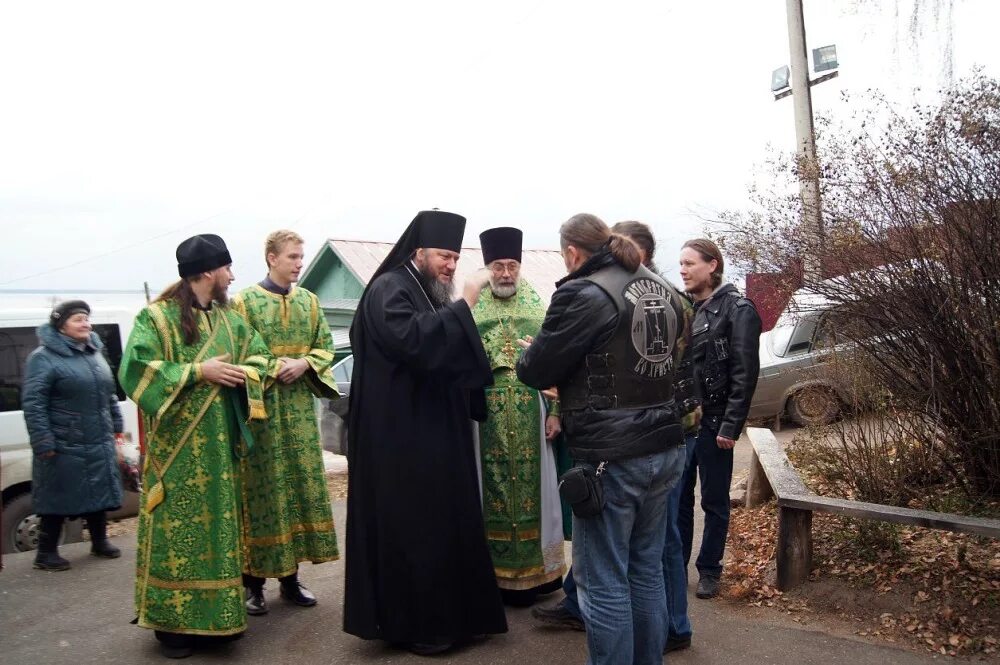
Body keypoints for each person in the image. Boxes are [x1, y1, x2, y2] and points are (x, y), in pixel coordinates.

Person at [516, 213, 687, 665]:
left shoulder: (583, 292)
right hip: (665, 446)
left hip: (614, 458)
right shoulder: (663, 288)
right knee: (645, 573)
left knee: (603, 582)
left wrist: (546, 369)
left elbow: (535, 369)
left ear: (572, 254)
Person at [343, 210, 508, 656]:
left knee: (446, 522)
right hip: (400, 438)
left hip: (432, 430)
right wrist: (466, 302)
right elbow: (414, 342)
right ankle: (419, 624)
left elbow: (443, 348)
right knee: (418, 529)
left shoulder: (427, 290)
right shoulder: (389, 288)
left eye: (455, 258)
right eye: (443, 256)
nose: (451, 266)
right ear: (418, 251)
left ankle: (457, 616)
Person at [118, 234, 272, 659]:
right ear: (207, 272)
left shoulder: (230, 321)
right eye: (227, 268)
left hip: (220, 456)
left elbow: (259, 358)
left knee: (217, 537)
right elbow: (135, 371)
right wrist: (197, 371)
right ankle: (171, 628)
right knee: (176, 539)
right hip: (176, 456)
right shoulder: (157, 319)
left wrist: (243, 371)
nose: (232, 276)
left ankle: (218, 621)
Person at [233, 230, 339, 615]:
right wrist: (266, 366)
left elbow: (325, 345)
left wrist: (304, 363)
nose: (298, 263)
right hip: (260, 415)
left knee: (293, 494)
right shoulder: (244, 302)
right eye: (292, 257)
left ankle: (290, 580)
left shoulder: (309, 302)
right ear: (271, 258)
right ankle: (253, 585)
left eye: (300, 256)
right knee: (262, 495)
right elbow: (233, 351)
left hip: (298, 414)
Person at [471, 226, 565, 607]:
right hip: (486, 413)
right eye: (498, 266)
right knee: (486, 489)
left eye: (512, 265)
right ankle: (491, 575)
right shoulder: (473, 307)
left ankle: (538, 577)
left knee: (536, 490)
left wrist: (556, 410)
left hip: (530, 407)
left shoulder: (536, 306)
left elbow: (554, 359)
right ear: (487, 267)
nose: (506, 273)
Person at [677, 238, 761, 600]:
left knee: (714, 501)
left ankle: (710, 568)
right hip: (680, 424)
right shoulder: (680, 308)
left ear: (712, 265)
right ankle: (674, 566)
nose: (682, 270)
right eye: (680, 264)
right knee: (677, 499)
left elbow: (745, 374)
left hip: (714, 423)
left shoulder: (738, 309)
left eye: (689, 263)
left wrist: (730, 426)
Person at [22, 300, 124, 571]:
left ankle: (99, 541)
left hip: (97, 436)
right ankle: (45, 553)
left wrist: (116, 425)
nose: (86, 324)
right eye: (78, 319)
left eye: (87, 319)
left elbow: (109, 393)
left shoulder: (93, 353)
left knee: (98, 488)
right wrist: (43, 440)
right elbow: (34, 402)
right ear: (61, 325)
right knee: (56, 494)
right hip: (64, 440)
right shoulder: (43, 357)